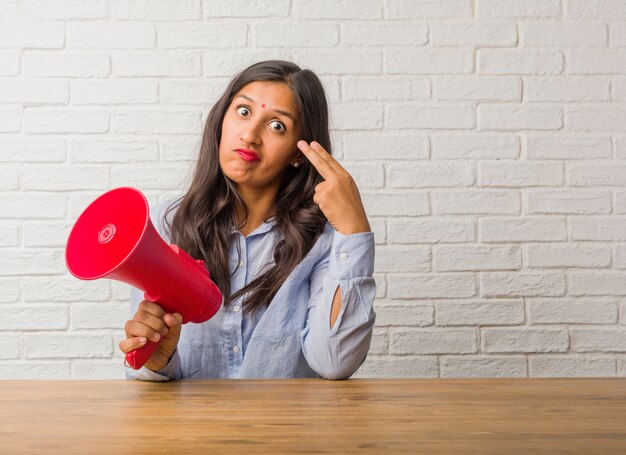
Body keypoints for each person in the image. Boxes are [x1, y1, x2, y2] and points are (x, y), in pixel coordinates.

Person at [120, 60, 376, 381]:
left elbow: (334, 362)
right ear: (221, 120)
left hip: (288, 429)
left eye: (276, 126)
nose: (250, 135)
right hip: (188, 430)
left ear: (300, 153)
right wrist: (158, 361)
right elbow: (145, 372)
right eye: (243, 112)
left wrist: (354, 232)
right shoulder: (165, 224)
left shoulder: (325, 240)